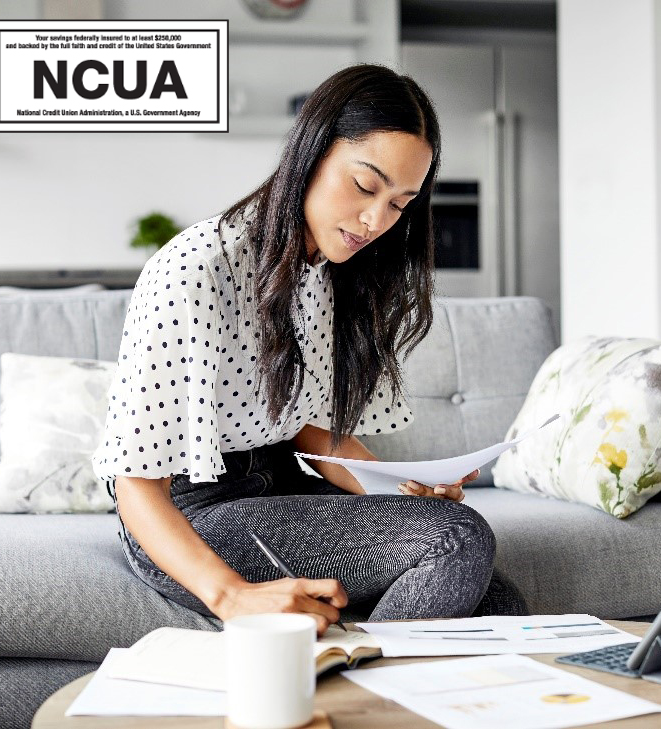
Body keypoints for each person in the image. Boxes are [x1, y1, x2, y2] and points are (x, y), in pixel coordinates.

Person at [92, 64, 528, 637]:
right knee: (455, 538)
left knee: (500, 602)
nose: (377, 221)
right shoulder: (198, 268)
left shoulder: (328, 270)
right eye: (366, 186)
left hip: (278, 489)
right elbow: (135, 484)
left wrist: (400, 486)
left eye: (400, 204)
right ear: (312, 152)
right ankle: (350, 695)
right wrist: (232, 597)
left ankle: (372, 691)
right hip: (188, 518)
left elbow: (308, 430)